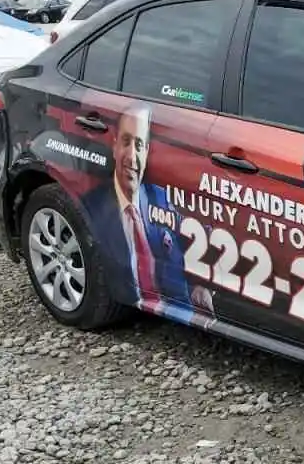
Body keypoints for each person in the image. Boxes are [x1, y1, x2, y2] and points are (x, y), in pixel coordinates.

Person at [81, 101, 214, 328]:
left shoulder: (160, 198)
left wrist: (200, 285)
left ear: (147, 151)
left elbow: (199, 235)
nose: (132, 157)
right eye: (126, 142)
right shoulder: (92, 206)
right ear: (114, 146)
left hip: (183, 311)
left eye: (139, 145)